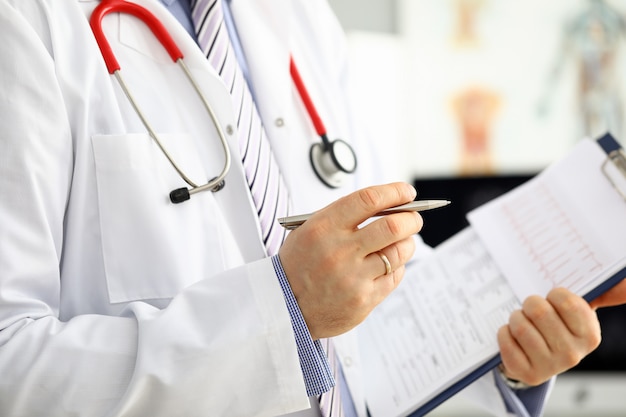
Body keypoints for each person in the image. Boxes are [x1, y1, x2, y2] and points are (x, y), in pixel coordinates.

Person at [0, 0, 625, 416]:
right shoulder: (28, 22)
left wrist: (508, 357)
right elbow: (10, 367)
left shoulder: (298, 18)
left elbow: (377, 299)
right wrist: (283, 312)